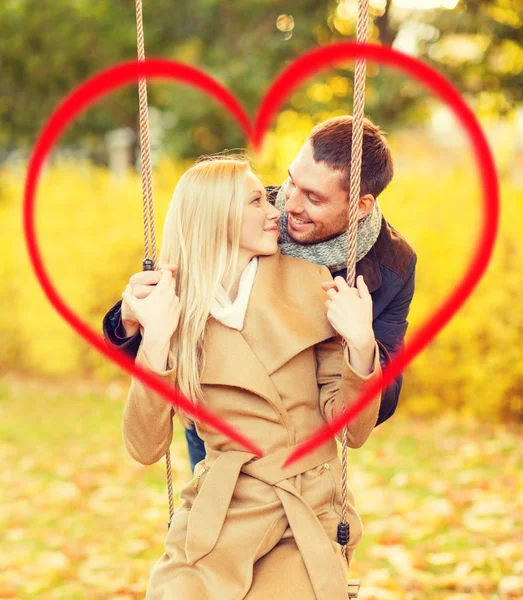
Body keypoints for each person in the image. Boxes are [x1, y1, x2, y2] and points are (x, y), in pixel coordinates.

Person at [122, 154, 383, 599]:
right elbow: (145, 448)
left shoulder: (311, 282)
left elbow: (352, 432)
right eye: (257, 201)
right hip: (221, 512)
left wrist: (361, 347)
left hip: (302, 510)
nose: (276, 212)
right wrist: (156, 341)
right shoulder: (172, 303)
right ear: (218, 216)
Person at [103, 115, 417, 473]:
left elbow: (382, 390)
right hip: (220, 420)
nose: (287, 204)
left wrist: (355, 345)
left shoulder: (392, 265)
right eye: (290, 181)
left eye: (313, 197)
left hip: (299, 439)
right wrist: (127, 321)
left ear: (361, 206)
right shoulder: (257, 212)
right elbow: (185, 286)